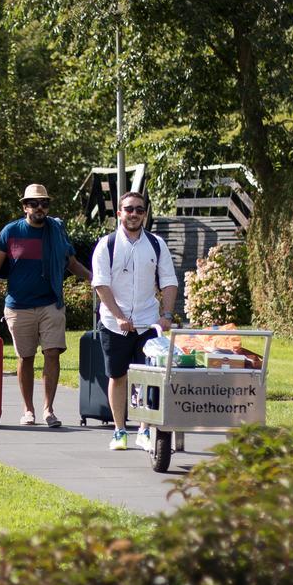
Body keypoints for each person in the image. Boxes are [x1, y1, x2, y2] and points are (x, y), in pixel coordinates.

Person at [0, 183, 91, 427]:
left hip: (51, 302)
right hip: (19, 305)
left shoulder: (56, 230)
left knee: (52, 353)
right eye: (34, 203)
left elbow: (70, 263)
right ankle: (28, 409)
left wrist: (94, 278)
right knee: (25, 357)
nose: (40, 208)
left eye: (44, 203)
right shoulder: (11, 232)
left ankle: (48, 409)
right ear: (24, 207)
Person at [92, 190, 179, 451]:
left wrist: (166, 315)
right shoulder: (106, 244)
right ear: (119, 213)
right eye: (129, 209)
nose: (134, 214)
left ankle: (143, 429)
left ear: (145, 214)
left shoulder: (156, 244)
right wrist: (119, 317)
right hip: (113, 323)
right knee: (118, 377)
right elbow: (101, 284)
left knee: (148, 377)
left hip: (147, 321)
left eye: (139, 210)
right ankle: (120, 431)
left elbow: (169, 281)